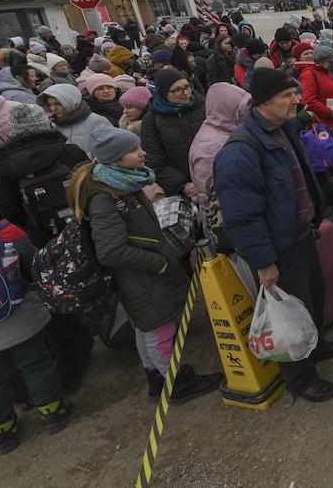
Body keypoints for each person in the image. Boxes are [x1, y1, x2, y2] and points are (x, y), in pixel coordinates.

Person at [213, 69, 333, 402]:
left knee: (312, 297)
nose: (297, 100)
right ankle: (301, 379)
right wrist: (263, 262)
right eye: (288, 96)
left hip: (301, 233)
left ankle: (315, 345)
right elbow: (242, 217)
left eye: (295, 93)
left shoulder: (282, 129)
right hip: (278, 247)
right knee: (289, 313)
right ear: (263, 103)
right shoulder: (240, 151)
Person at [70, 128, 223, 404]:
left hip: (146, 277)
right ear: (116, 160)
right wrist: (160, 263)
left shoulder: (123, 183)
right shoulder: (105, 198)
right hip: (143, 279)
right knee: (159, 329)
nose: (142, 153)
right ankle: (174, 382)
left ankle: (155, 376)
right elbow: (111, 250)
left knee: (148, 327)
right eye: (134, 150)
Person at [0, 178, 72, 454]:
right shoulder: (4, 230)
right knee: (36, 364)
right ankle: (53, 411)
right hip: (17, 317)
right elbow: (34, 266)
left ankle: (2, 431)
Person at [0, 103, 87, 244]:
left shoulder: (5, 165)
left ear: (13, 129)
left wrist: (31, 223)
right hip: (84, 221)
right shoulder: (70, 151)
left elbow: (9, 208)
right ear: (45, 123)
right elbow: (92, 183)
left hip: (42, 232)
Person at [140, 69, 205, 200]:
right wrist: (184, 185)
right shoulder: (152, 120)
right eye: (177, 90)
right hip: (183, 191)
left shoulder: (202, 106)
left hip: (211, 179)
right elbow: (154, 160)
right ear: (164, 93)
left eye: (187, 87)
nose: (186, 93)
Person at [188, 82, 251, 208]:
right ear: (227, 108)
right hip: (225, 217)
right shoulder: (209, 148)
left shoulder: (224, 127)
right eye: (243, 107)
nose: (247, 111)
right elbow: (211, 195)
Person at [37, 84, 112, 159]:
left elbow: (110, 150)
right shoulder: (52, 124)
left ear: (72, 101)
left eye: (58, 104)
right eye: (50, 105)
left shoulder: (97, 121)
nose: (53, 109)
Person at [299, 45, 333, 146]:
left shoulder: (326, 72)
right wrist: (329, 112)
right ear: (323, 61)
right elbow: (308, 100)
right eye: (331, 61)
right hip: (329, 126)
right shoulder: (309, 74)